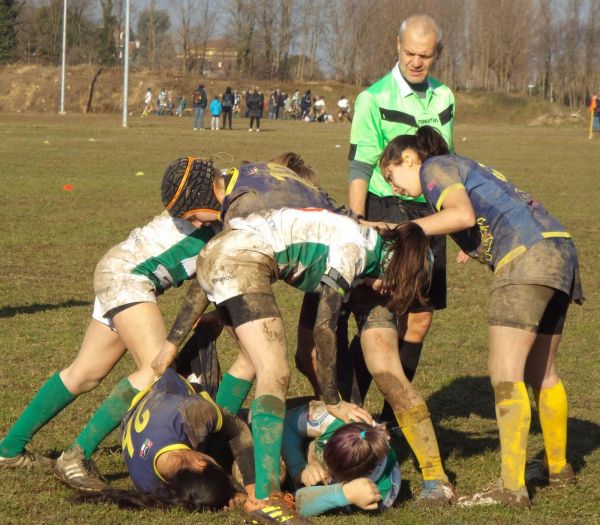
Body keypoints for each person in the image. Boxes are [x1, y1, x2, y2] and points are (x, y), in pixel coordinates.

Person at [380, 125, 584, 508]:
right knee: (543, 371)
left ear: (407, 158)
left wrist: (402, 228)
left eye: (391, 176)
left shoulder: (433, 169)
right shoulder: (461, 164)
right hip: (559, 248)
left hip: (525, 258)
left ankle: (511, 487)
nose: (394, 188)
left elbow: (462, 214)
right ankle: (558, 468)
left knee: (506, 374)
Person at [0, 157, 223, 491]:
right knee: (157, 370)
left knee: (84, 373)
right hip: (127, 279)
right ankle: (76, 456)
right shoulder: (226, 212)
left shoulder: (232, 208)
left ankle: (8, 450)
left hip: (115, 269)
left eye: (191, 216)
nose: (191, 222)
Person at [345, 13, 455, 422]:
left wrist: (461, 227)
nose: (415, 61)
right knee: (383, 315)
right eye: (409, 52)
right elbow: (359, 165)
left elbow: (448, 165)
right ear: (397, 47)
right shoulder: (372, 98)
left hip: (430, 214)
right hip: (385, 209)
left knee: (420, 319)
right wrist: (356, 220)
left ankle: (392, 418)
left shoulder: (444, 98)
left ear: (436, 55)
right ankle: (349, 407)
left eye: (424, 55)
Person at [72, 368, 254, 512]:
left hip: (174, 378)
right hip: (140, 417)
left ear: (199, 463)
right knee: (247, 361)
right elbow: (238, 430)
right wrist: (243, 493)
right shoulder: (149, 484)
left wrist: (249, 484)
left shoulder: (190, 414)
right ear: (200, 462)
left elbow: (236, 429)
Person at [282, 399, 401, 517]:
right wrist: (298, 468)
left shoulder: (377, 490)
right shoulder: (339, 419)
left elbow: (292, 505)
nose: (327, 471)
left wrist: (343, 494)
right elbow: (284, 424)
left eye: (333, 473)